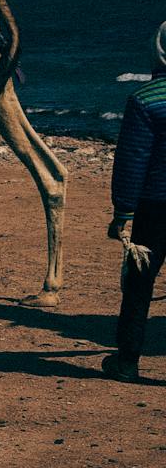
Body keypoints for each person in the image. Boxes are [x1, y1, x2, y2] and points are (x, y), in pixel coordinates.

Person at [105, 23, 166, 380]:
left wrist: (123, 212)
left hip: (154, 207)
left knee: (139, 286)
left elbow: (132, 161)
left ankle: (127, 361)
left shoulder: (145, 100)